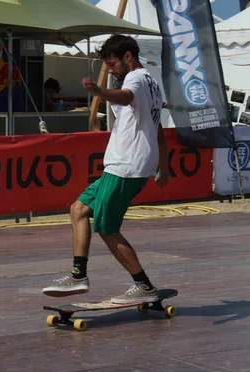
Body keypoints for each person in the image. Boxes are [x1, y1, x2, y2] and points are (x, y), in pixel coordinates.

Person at [42, 35, 169, 304]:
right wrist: (164, 169)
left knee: (106, 227)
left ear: (127, 57)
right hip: (128, 165)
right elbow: (158, 129)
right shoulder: (153, 84)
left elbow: (125, 97)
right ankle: (78, 274)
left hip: (126, 166)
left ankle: (143, 285)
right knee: (79, 209)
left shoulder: (134, 79)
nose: (110, 70)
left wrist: (100, 92)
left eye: (112, 64)